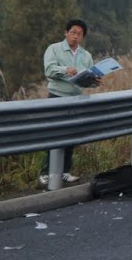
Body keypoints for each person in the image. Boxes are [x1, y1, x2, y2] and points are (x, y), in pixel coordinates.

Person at [39, 18, 100, 187]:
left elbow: (86, 80)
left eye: (79, 34)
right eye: (72, 32)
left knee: (71, 135)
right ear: (66, 33)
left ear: (83, 37)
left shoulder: (86, 55)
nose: (75, 36)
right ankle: (46, 173)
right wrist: (65, 70)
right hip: (57, 97)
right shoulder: (54, 49)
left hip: (76, 99)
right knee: (54, 133)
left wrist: (94, 81)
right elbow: (49, 70)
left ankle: (65, 172)